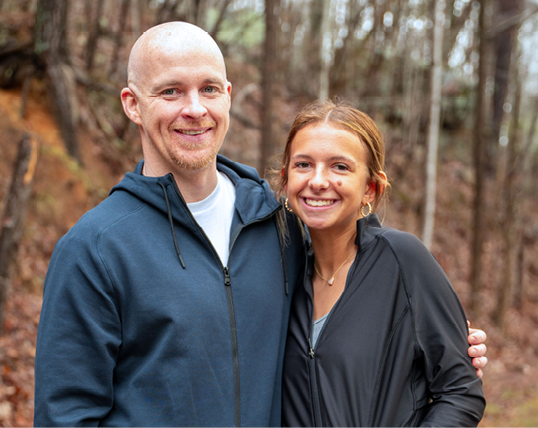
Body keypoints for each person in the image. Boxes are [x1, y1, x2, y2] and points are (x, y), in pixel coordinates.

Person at [33, 22, 486, 427]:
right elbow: (66, 416)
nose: (194, 109)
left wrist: (442, 347)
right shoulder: (94, 248)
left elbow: (348, 324)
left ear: (228, 95)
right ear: (133, 105)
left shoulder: (277, 225)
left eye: (209, 89)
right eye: (171, 92)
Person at [276, 100, 485, 426]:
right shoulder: (278, 272)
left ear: (370, 189)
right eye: (303, 164)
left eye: (339, 167)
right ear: (285, 178)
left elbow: (460, 392)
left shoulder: (402, 258)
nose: (317, 180)